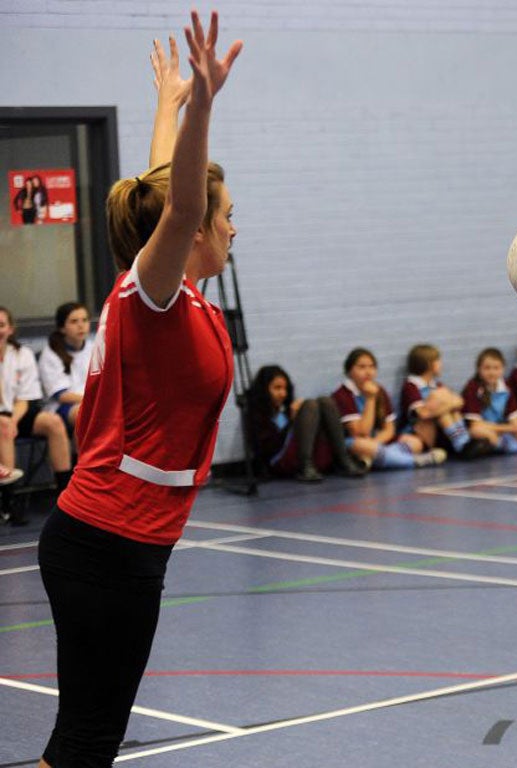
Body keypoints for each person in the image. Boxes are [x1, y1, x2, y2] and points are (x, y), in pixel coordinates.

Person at [34, 16, 242, 766]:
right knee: (90, 738)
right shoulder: (147, 300)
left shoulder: (173, 289)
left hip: (128, 546)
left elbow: (165, 195)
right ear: (195, 232)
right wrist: (206, 109)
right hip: (104, 546)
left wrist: (169, 102)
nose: (233, 229)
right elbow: (180, 203)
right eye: (228, 217)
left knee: (87, 736)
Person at [333, 347, 447, 470]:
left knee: (415, 443)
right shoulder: (342, 394)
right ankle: (414, 461)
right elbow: (361, 432)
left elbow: (389, 429)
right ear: (349, 371)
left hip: (376, 441)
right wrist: (370, 399)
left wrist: (376, 444)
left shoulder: (380, 390)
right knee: (362, 445)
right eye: (362, 367)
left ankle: (375, 458)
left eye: (372, 367)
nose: (368, 372)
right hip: (353, 443)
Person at [246, 364, 365, 482]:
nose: (283, 393)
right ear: (264, 389)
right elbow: (268, 449)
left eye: (285, 388)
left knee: (325, 402)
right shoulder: (257, 414)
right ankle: (305, 466)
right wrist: (292, 421)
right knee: (309, 405)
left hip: (308, 453)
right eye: (277, 388)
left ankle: (343, 460)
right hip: (279, 461)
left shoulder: (285, 409)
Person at [0, 306, 73, 493]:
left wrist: (14, 420)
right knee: (4, 426)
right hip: (2, 420)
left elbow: (24, 399)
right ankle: (10, 499)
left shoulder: (22, 354)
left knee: (53, 423)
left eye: (1, 325)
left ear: (10, 329)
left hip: (16, 412)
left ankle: (64, 491)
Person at [398, 343, 490, 459]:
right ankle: (461, 444)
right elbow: (422, 413)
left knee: (449, 406)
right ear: (429, 364)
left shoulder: (436, 384)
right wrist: (445, 406)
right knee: (442, 406)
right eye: (438, 361)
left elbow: (459, 402)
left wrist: (447, 405)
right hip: (418, 430)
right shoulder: (411, 386)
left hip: (439, 430)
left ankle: (464, 441)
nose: (441, 364)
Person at [461, 347, 517, 453]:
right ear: (479, 369)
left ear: (503, 369)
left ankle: (499, 444)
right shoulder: (472, 388)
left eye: (496, 368)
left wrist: (515, 427)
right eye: (487, 368)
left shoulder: (507, 388)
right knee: (476, 431)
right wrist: (507, 428)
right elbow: (476, 424)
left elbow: (515, 420)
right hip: (488, 429)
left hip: (504, 430)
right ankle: (503, 444)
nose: (492, 372)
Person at [38, 302, 94, 440]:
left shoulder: (95, 347)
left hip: (91, 401)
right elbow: (61, 395)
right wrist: (93, 400)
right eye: (74, 321)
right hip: (62, 406)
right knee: (85, 413)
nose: (81, 326)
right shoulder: (51, 353)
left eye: (84, 320)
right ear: (62, 328)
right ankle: (83, 459)